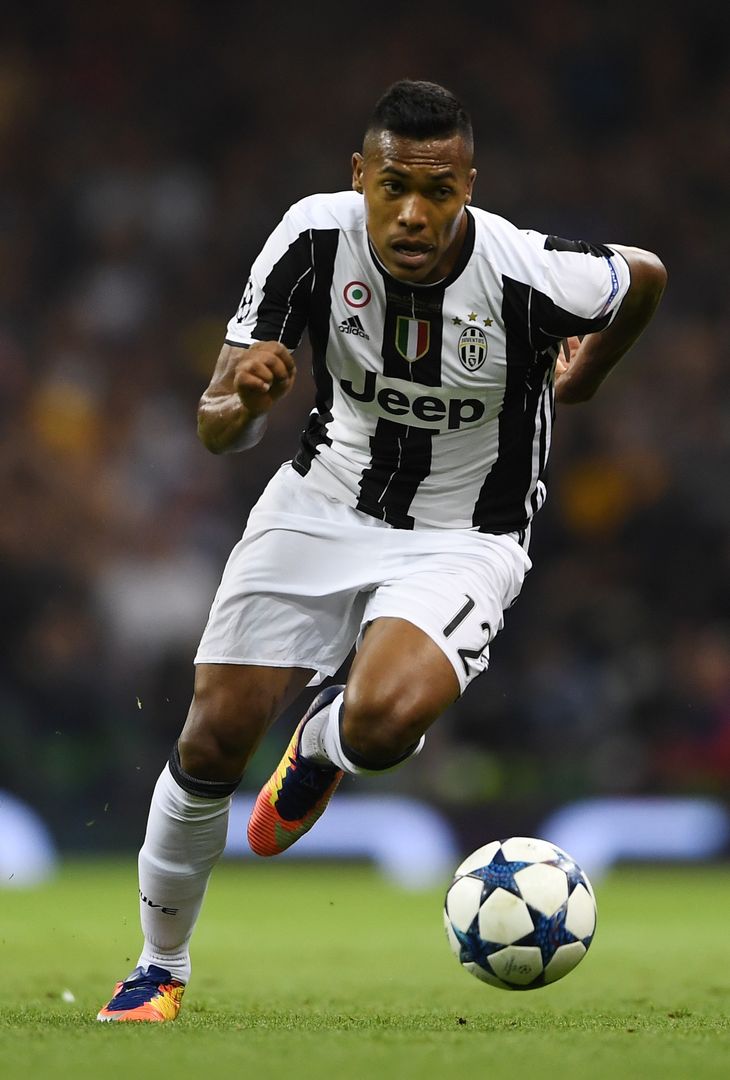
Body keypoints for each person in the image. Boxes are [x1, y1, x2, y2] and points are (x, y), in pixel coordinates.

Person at [97, 79, 666, 1021]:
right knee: (214, 736)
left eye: (439, 192)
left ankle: (323, 743)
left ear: (468, 188)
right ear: (359, 175)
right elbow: (215, 428)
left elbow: (640, 276)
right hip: (323, 500)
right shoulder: (312, 238)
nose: (413, 212)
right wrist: (243, 403)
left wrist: (588, 373)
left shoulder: (527, 272)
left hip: (465, 532)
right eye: (394, 184)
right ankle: (160, 968)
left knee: (383, 722)